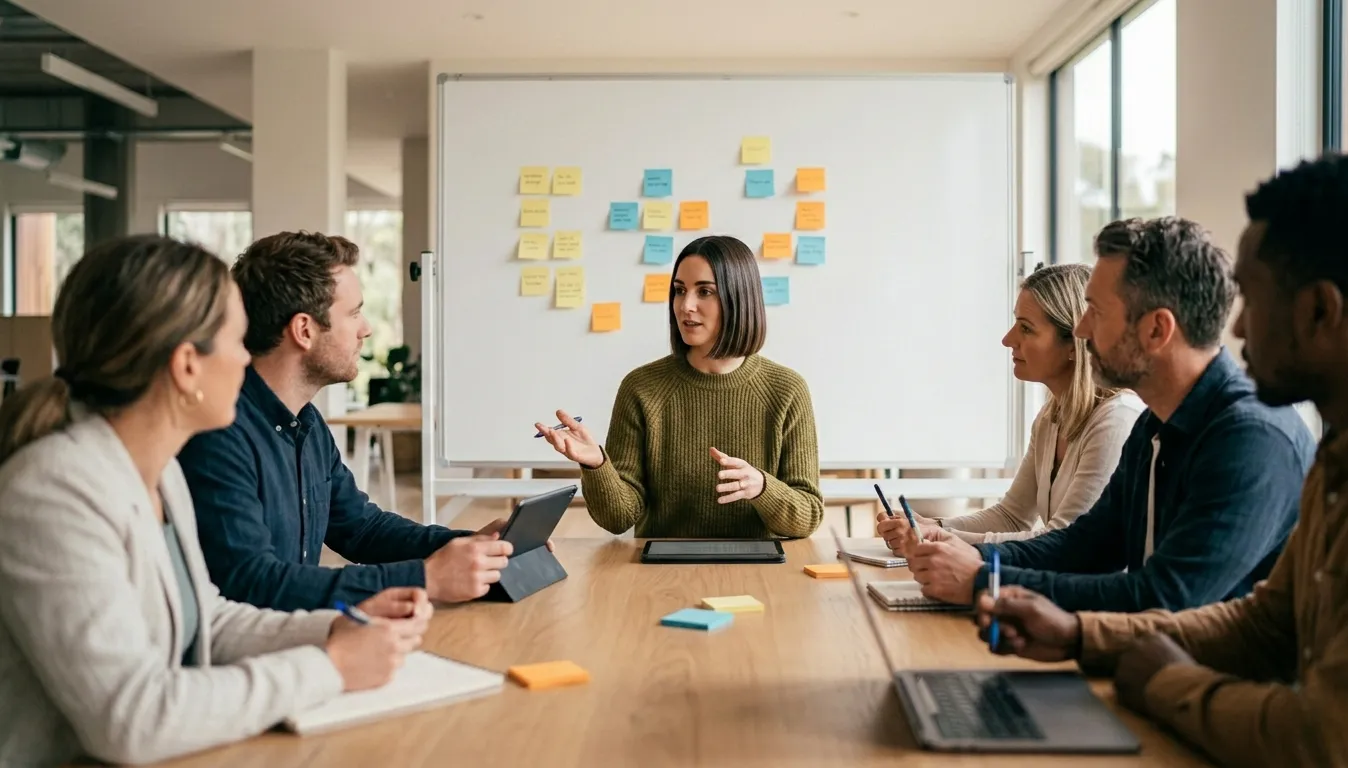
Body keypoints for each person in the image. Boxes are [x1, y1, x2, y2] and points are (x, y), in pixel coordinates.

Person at [973, 151, 1348, 767]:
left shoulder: (1257, 439)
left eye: (1255, 299)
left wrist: (1163, 682)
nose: (1236, 328)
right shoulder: (1340, 459)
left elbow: (1329, 739)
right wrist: (1082, 634)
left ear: (1320, 310)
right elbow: (1264, 625)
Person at [0, 235, 430, 767]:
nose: (245, 358)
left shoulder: (158, 477)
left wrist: (336, 627)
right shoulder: (53, 493)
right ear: (186, 366)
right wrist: (331, 667)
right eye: (235, 340)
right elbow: (131, 719)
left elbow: (213, 621)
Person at [880, 216, 1314, 612]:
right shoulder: (1155, 423)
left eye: (1096, 312)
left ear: (1156, 329)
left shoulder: (1250, 440)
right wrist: (975, 559)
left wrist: (983, 580)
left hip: (1218, 686)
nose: (1083, 330)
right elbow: (1085, 546)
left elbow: (1163, 598)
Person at [179, 231, 515, 612]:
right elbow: (252, 583)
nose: (366, 328)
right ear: (304, 330)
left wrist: (467, 547)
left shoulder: (306, 423)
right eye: (354, 313)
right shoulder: (219, 435)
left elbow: (362, 529)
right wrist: (427, 578)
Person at [536, 235, 823, 538]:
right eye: (679, 291)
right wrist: (597, 466)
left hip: (758, 571)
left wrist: (763, 488)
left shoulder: (787, 390)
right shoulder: (641, 388)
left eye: (705, 292)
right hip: (661, 573)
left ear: (738, 297)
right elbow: (619, 519)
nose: (686, 306)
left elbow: (807, 517)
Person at [878, 263, 1143, 544]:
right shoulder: (1051, 417)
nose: (1008, 339)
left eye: (1026, 329)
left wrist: (940, 537)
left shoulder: (1117, 421)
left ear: (1074, 343)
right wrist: (933, 525)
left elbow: (1065, 542)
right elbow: (1011, 516)